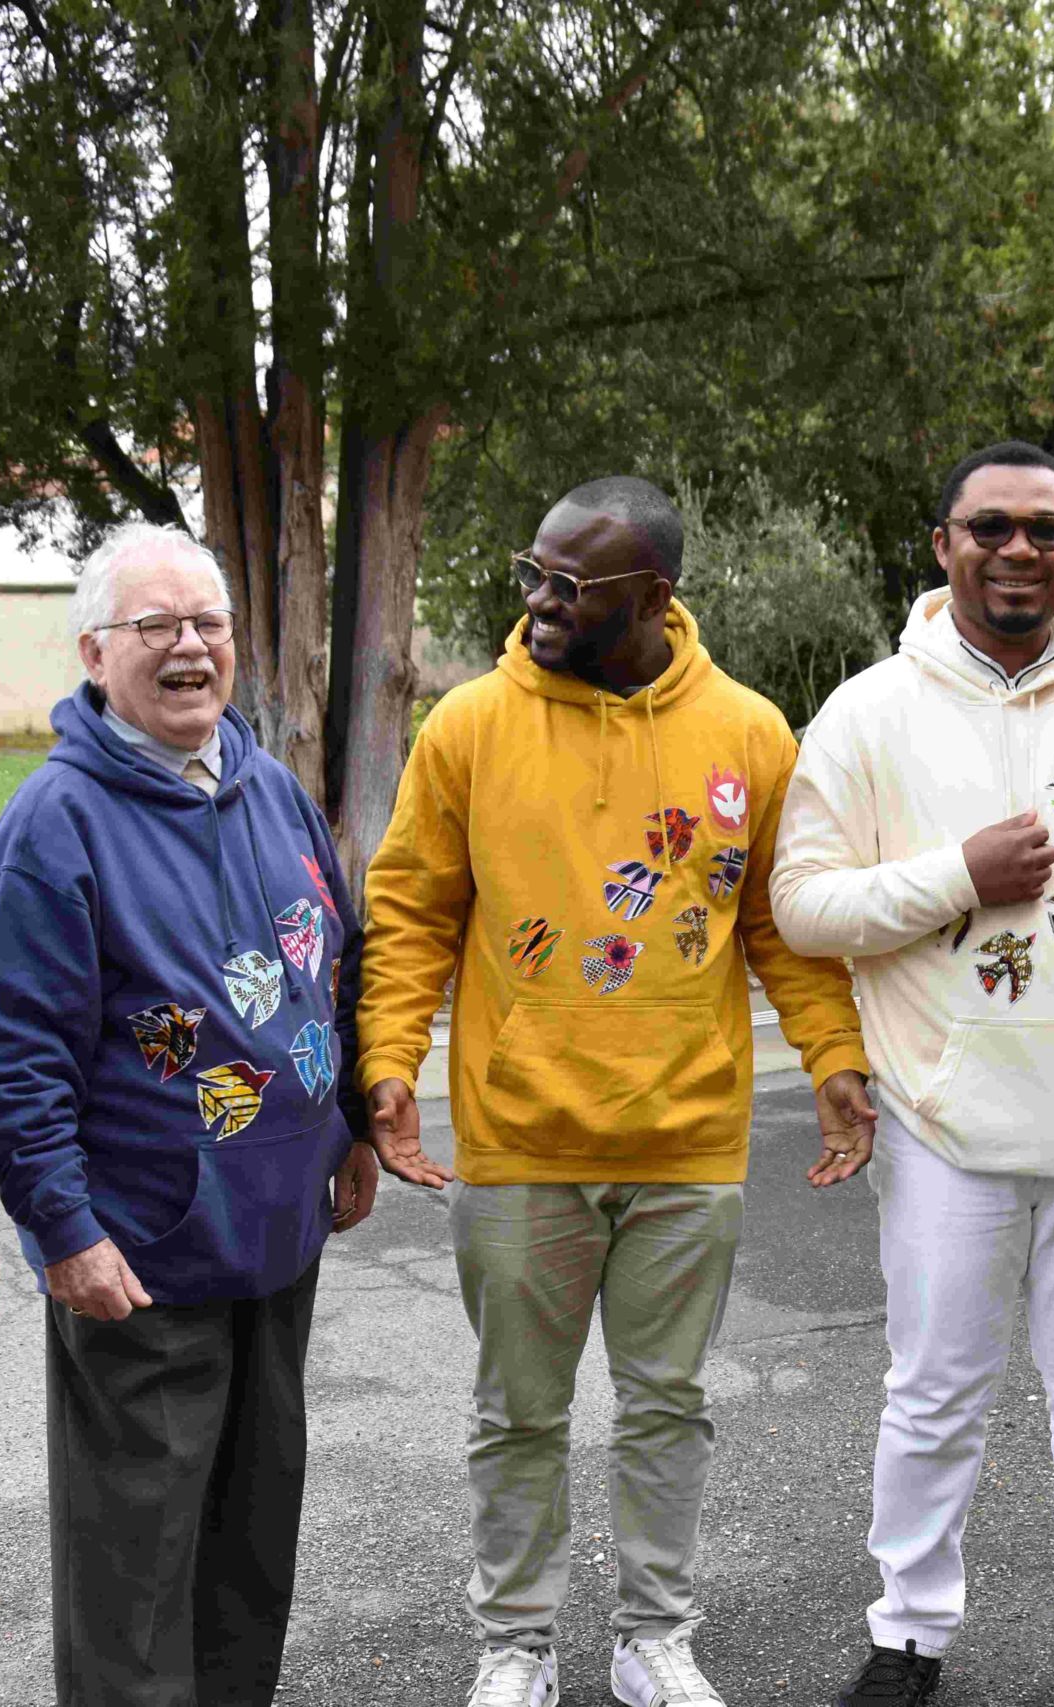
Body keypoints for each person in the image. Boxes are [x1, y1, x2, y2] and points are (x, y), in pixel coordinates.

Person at [357, 476, 871, 1707]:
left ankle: (654, 1638)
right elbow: (413, 908)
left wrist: (835, 1059)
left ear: (651, 596)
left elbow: (780, 930)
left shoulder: (750, 732)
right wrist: (390, 1062)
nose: (536, 601)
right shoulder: (469, 726)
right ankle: (516, 1647)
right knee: (516, 1415)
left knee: (666, 1410)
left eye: (566, 585)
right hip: (520, 1137)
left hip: (686, 1141)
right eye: (531, 572)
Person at [769, 440, 1054, 1707]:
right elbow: (802, 905)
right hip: (939, 1118)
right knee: (932, 1397)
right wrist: (960, 875)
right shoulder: (869, 712)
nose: (1019, 550)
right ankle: (908, 1629)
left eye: (1047, 529)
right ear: (941, 546)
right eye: (990, 529)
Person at [0, 523, 379, 1706]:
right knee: (135, 1573)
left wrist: (345, 1128)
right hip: (138, 1254)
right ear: (96, 652)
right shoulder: (54, 827)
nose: (190, 648)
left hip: (279, 1235)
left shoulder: (271, 793)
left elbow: (331, 968)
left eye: (210, 624)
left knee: (251, 1544)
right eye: (158, 627)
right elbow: (13, 1060)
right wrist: (62, 1228)